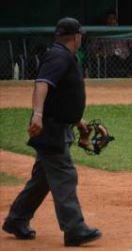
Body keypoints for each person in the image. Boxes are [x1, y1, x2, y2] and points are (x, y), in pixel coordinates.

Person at [2, 17, 102, 246]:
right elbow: (42, 83)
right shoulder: (58, 56)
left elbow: (60, 97)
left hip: (57, 126)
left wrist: (77, 120)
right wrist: (37, 115)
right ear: (76, 36)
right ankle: (75, 229)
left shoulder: (61, 55)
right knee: (65, 176)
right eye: (81, 36)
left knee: (43, 179)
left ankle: (17, 220)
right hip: (51, 129)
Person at [88, 10, 132, 78]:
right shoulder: (101, 33)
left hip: (125, 59)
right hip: (110, 59)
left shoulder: (123, 32)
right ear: (106, 20)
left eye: (114, 18)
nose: (112, 21)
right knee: (113, 60)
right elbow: (93, 49)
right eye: (110, 19)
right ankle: (121, 77)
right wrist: (101, 54)